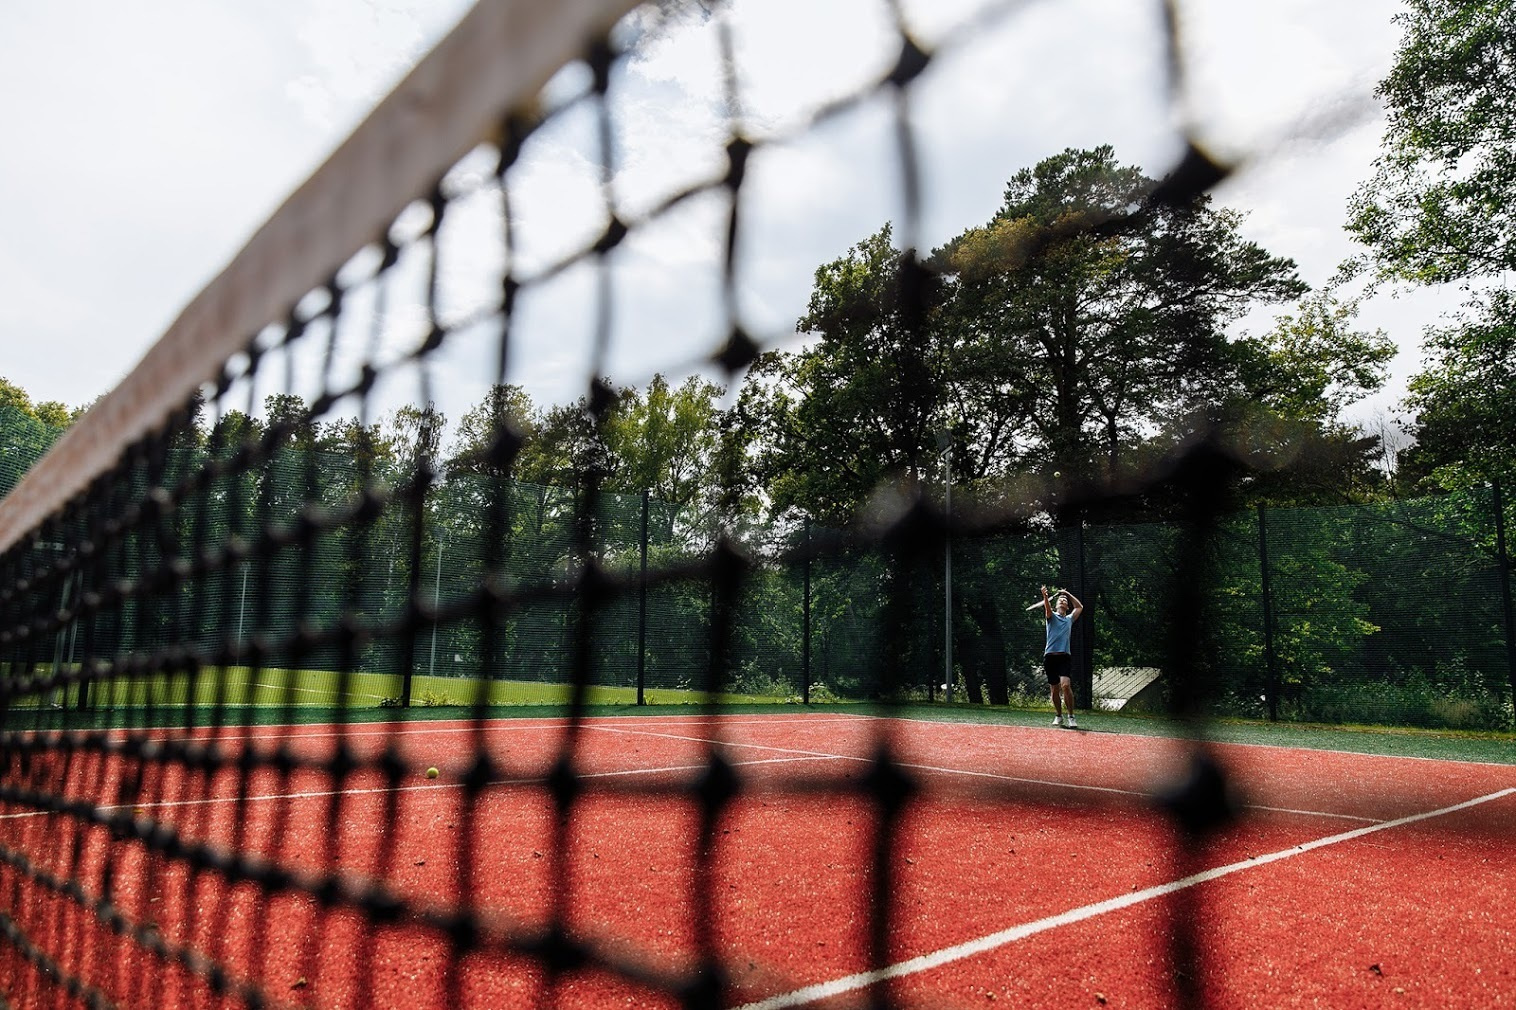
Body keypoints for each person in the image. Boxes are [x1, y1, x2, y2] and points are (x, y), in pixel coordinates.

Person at [1041, 585, 1083, 728]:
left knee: (1065, 685)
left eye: (1065, 600)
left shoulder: (1069, 619)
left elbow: (1079, 607)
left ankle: (1071, 716)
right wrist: (1045, 596)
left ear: (1067, 606)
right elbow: (1047, 609)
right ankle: (1059, 716)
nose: (1063, 601)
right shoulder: (1051, 616)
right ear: (1056, 605)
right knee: (1054, 689)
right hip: (1050, 657)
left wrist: (1067, 593)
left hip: (1064, 657)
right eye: (1060, 600)